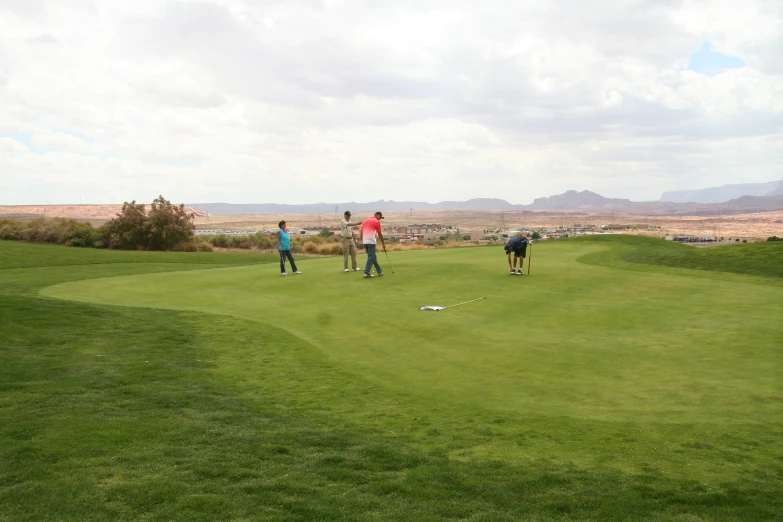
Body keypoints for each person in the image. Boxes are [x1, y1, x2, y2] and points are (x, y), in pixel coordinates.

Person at [360, 211, 386, 278]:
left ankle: (379, 271)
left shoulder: (365, 221)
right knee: (371, 257)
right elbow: (380, 234)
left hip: (365, 241)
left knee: (373, 257)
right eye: (380, 217)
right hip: (371, 241)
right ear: (377, 215)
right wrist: (383, 243)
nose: (380, 219)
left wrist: (361, 240)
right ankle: (366, 272)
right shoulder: (376, 222)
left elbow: (361, 230)